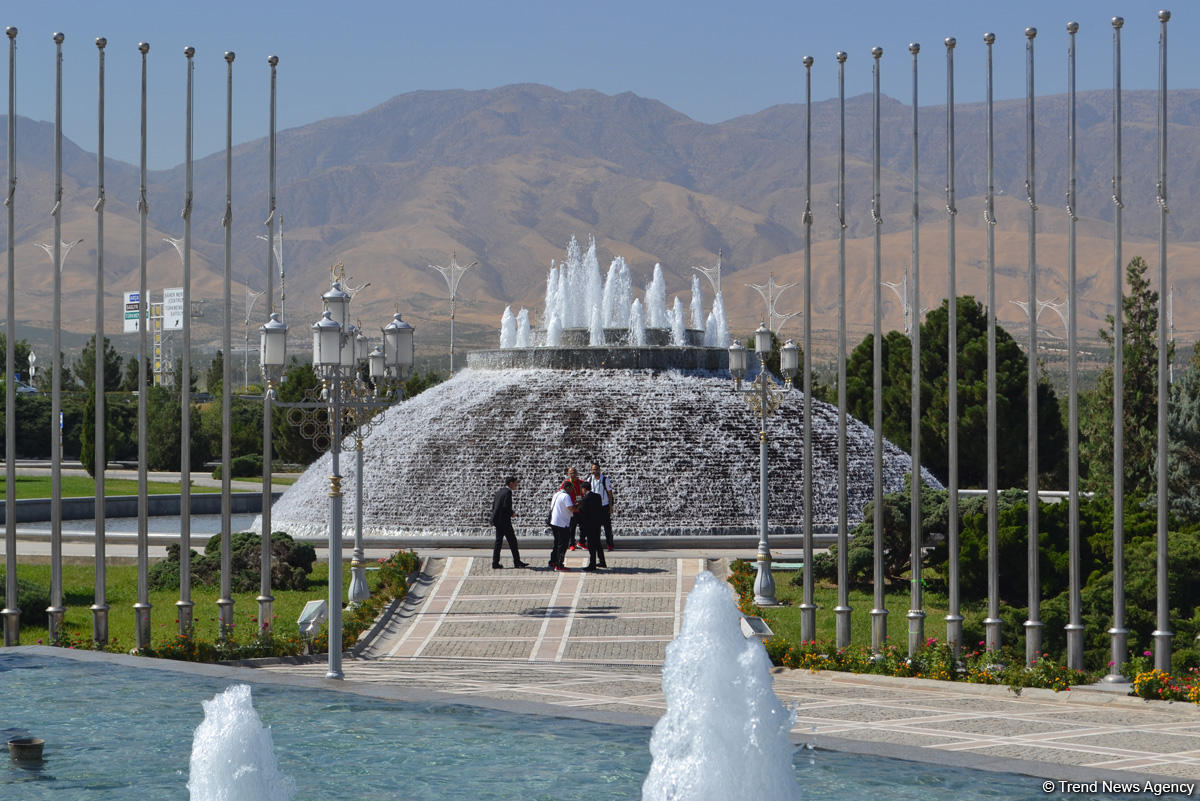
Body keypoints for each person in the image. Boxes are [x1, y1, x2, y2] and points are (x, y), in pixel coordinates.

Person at [491, 476, 528, 569]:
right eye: (515, 483)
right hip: (504, 522)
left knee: (498, 542)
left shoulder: (499, 492)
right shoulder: (508, 492)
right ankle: (517, 562)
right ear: (511, 483)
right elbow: (505, 506)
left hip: (497, 520)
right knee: (513, 541)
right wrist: (512, 514)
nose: (516, 485)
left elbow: (494, 506)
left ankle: (495, 562)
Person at [547, 481, 577, 571]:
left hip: (554, 522)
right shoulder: (566, 496)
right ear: (567, 487)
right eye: (571, 488)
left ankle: (552, 561)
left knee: (557, 543)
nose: (572, 491)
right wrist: (578, 505)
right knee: (563, 545)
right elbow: (571, 509)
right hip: (562, 524)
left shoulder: (557, 494)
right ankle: (559, 565)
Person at [576, 485, 607, 570]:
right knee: (598, 543)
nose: (581, 491)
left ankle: (592, 565)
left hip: (589, 525)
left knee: (591, 545)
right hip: (597, 523)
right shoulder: (598, 496)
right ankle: (602, 561)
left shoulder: (585, 499)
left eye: (582, 489)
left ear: (584, 489)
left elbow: (582, 512)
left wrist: (578, 505)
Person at [588, 461, 616, 551]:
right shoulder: (589, 479)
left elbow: (610, 493)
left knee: (607, 527)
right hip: (593, 507)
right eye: (593, 469)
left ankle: (610, 544)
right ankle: (596, 544)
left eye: (596, 469)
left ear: (599, 470)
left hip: (604, 506)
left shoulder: (605, 480)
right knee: (595, 527)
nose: (594, 471)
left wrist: (611, 506)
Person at [562, 466, 587, 550]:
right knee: (572, 528)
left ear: (577, 473)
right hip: (572, 509)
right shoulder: (567, 483)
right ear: (568, 474)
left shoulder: (581, 483)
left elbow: (587, 493)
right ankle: (572, 544)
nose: (573, 474)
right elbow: (561, 494)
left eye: (574, 472)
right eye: (571, 473)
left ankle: (581, 542)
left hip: (581, 508)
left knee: (584, 527)